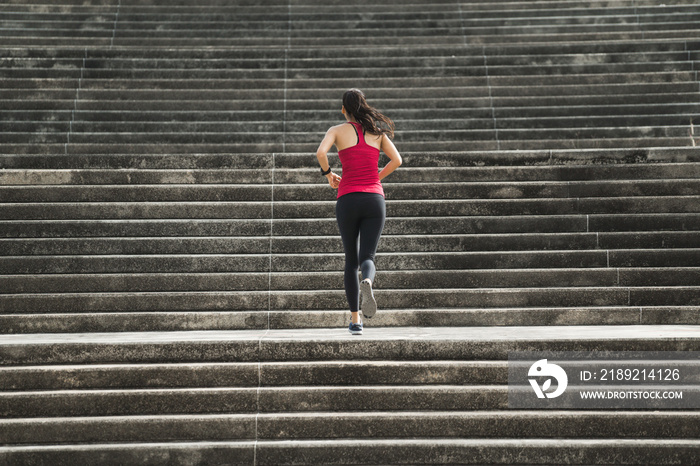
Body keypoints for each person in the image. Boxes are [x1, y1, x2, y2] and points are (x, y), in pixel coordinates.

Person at [315, 89, 403, 335]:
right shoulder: (377, 133)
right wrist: (376, 176)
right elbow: (397, 160)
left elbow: (321, 153)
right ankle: (369, 280)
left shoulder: (336, 130)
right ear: (363, 106)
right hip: (374, 199)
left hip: (348, 198)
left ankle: (356, 321)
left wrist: (328, 174)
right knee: (368, 257)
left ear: (344, 109)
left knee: (350, 261)